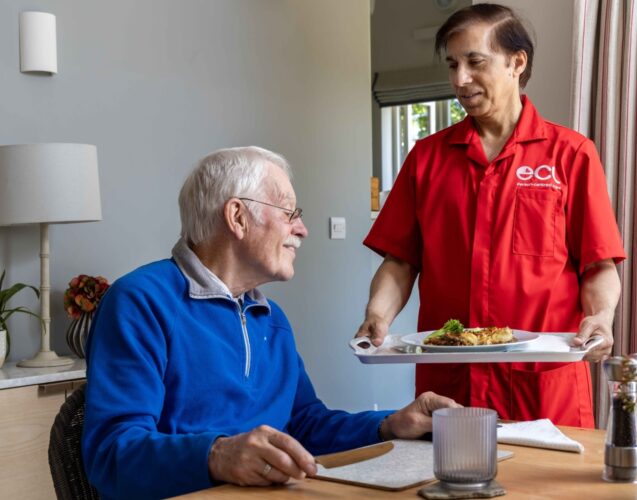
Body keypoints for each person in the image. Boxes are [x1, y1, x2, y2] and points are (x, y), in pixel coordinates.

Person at [82, 146, 458, 500]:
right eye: (289, 213)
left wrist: (389, 424)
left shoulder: (270, 318)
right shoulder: (140, 301)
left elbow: (304, 424)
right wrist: (217, 455)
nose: (302, 229)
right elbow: (110, 453)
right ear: (237, 217)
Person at [356, 3, 626, 428]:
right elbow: (400, 261)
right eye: (453, 65)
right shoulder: (426, 158)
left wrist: (602, 317)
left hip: (543, 385)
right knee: (451, 472)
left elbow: (598, 264)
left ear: (516, 63)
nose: (460, 79)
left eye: (475, 62)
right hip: (452, 383)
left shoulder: (570, 154)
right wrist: (378, 314)